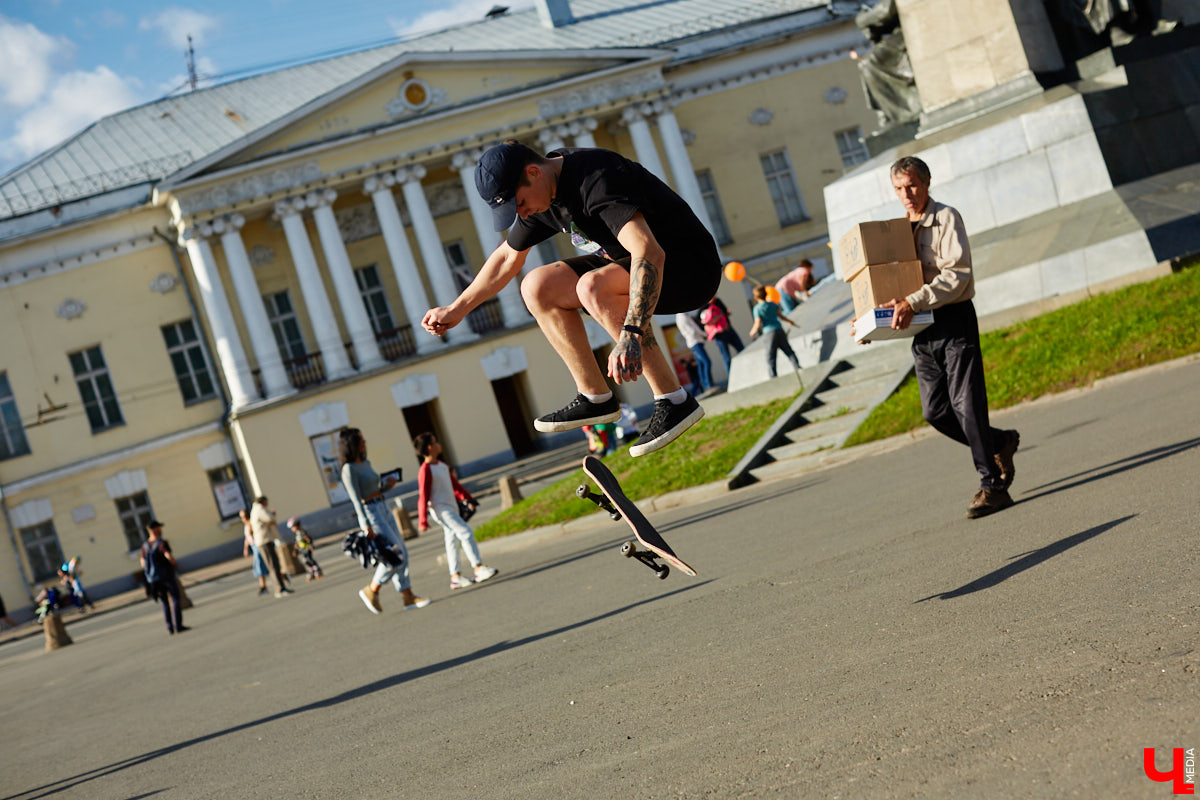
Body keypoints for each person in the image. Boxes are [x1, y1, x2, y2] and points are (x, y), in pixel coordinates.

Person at [421, 141, 719, 457]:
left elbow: (648, 251)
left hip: (687, 269)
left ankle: (673, 400)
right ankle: (595, 398)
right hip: (632, 268)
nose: (521, 213)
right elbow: (508, 258)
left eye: (520, 203)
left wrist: (631, 333)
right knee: (537, 286)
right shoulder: (543, 194)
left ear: (534, 172)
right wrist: (458, 308)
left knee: (592, 287)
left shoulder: (596, 177)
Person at [873, 155, 1020, 519]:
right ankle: (1000, 440)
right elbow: (885, 283)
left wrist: (912, 300)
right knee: (936, 411)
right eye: (899, 189)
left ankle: (993, 486)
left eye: (912, 186)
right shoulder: (893, 233)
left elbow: (957, 275)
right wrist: (869, 324)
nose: (906, 195)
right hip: (922, 328)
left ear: (926, 183)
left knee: (967, 405)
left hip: (954, 320)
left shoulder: (946, 218)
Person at [340, 427, 430, 613]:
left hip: (383, 506)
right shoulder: (349, 469)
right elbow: (356, 499)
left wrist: (387, 487)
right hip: (371, 513)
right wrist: (365, 524)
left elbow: (375, 490)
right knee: (395, 554)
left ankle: (407, 596)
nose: (364, 442)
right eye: (360, 439)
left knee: (402, 551)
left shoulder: (366, 463)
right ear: (351, 444)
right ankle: (372, 588)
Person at [413, 432, 499, 590]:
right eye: (435, 442)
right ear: (430, 447)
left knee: (451, 541)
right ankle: (478, 568)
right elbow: (423, 496)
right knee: (465, 532)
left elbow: (455, 486)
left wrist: (467, 498)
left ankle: (456, 577)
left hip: (451, 506)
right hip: (441, 509)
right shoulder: (425, 470)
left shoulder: (441, 465)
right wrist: (422, 520)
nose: (439, 444)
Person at [140, 520, 189, 634]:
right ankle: (178, 625)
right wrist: (174, 564)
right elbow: (169, 556)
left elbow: (143, 563)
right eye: (158, 527)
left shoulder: (145, 546)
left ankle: (169, 627)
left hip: (155, 579)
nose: (160, 530)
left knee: (164, 602)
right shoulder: (161, 543)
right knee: (175, 598)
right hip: (167, 576)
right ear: (154, 529)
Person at [748, 285, 801, 378]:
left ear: (755, 297)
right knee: (788, 351)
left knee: (771, 356)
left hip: (769, 333)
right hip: (779, 329)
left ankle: (773, 376)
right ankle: (797, 367)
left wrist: (752, 332)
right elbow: (781, 316)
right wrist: (790, 321)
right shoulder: (773, 304)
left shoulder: (757, 309)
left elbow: (757, 323)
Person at [249, 497, 294, 598]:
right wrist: (272, 514)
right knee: (273, 565)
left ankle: (280, 587)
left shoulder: (255, 509)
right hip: (265, 541)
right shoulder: (259, 509)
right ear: (263, 502)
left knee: (273, 565)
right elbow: (269, 519)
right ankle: (280, 589)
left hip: (263, 540)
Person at [701, 296, 744, 376]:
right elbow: (702, 321)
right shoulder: (703, 306)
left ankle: (745, 370)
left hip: (728, 329)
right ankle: (731, 376)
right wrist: (713, 321)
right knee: (726, 357)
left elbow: (725, 312)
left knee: (741, 349)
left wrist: (725, 315)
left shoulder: (718, 301)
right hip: (719, 335)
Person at [674, 311, 714, 397]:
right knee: (707, 362)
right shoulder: (682, 316)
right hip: (695, 341)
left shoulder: (681, 316)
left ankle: (706, 385)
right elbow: (692, 330)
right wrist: (704, 334)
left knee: (701, 364)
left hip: (694, 342)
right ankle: (709, 384)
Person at [240, 508, 270, 596]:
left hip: (257, 546)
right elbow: (247, 538)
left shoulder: (252, 524)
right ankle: (263, 586)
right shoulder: (246, 526)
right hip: (253, 547)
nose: (243, 519)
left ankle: (264, 586)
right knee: (261, 566)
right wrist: (245, 548)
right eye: (242, 517)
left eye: (244, 516)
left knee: (260, 565)